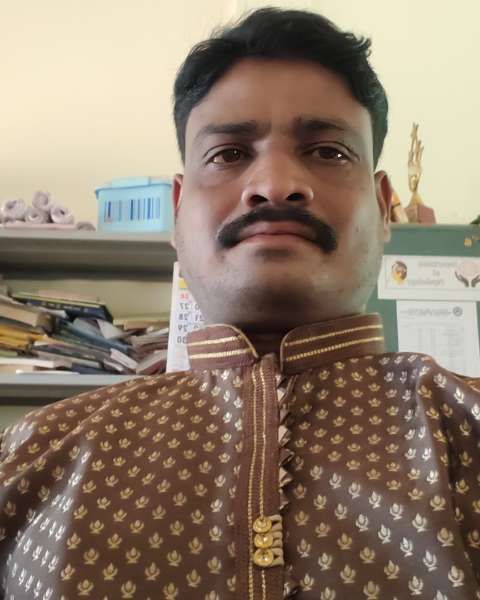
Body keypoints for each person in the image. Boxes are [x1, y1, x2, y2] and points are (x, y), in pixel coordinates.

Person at [1, 8, 479, 600]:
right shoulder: (29, 455)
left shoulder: (468, 426)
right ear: (178, 210)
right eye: (228, 154)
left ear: (384, 208)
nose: (275, 184)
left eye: (328, 152)